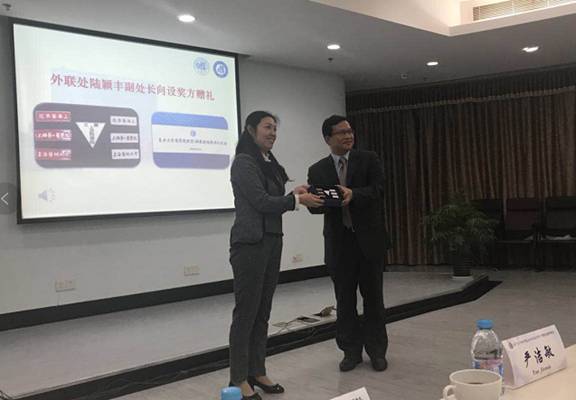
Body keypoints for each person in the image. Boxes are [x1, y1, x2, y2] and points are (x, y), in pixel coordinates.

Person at [228, 111, 323, 399]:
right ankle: (238, 378)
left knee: (263, 312)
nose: (273, 133)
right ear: (250, 129)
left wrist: (294, 193)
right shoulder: (244, 161)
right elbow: (260, 201)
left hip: (271, 241)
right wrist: (296, 200)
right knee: (246, 313)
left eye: (275, 129)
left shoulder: (267, 160)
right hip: (250, 244)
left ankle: (257, 371)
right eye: (267, 127)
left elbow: (273, 197)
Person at [307, 115, 391, 372]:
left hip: (369, 242)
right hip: (339, 245)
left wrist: (354, 194)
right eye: (341, 132)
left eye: (350, 131)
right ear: (327, 138)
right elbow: (316, 209)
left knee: (374, 299)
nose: (348, 136)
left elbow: (379, 190)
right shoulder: (318, 169)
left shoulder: (368, 159)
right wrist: (314, 200)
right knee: (344, 302)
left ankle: (377, 351)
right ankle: (350, 352)